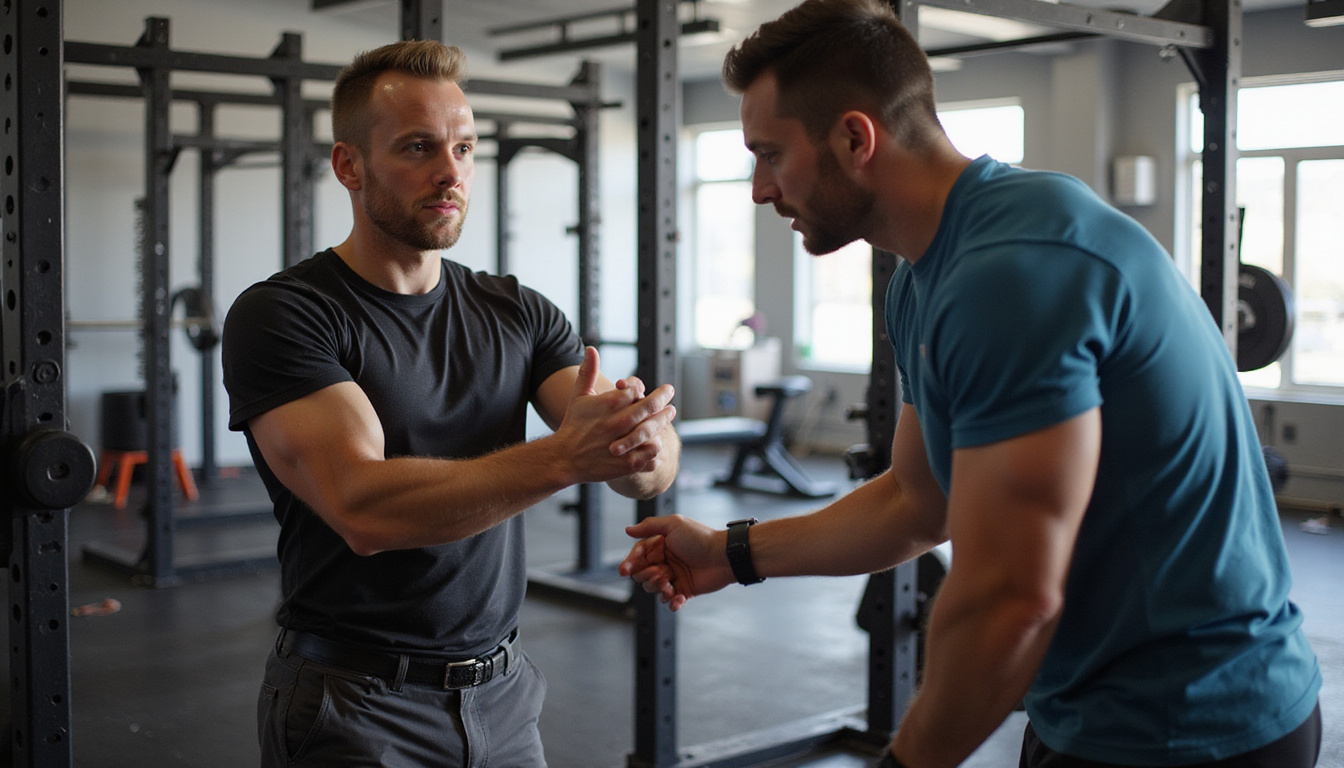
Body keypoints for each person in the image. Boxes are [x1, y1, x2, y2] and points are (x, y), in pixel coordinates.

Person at [619, 1, 1323, 766]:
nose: (760, 189)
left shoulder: (1013, 270)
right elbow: (917, 501)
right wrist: (731, 551)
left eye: (770, 154)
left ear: (855, 138)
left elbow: (1010, 596)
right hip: (1084, 707)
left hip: (1194, 725)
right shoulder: (922, 279)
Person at [222, 39, 680, 768]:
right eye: (418, 148)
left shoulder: (519, 310)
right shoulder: (287, 314)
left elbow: (637, 468)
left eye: (463, 148)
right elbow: (363, 507)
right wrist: (569, 456)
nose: (451, 173)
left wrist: (645, 444)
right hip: (357, 703)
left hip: (504, 696)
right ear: (349, 166)